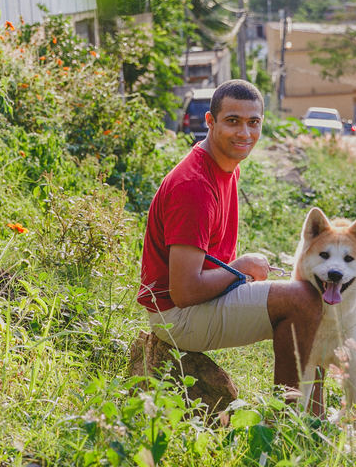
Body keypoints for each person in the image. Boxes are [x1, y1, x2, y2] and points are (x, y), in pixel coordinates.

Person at [138, 79, 324, 409]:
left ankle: (312, 416)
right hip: (178, 316)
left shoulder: (226, 167)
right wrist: (239, 270)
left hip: (199, 302)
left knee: (319, 293)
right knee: (303, 299)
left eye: (254, 123)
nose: (245, 133)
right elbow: (183, 291)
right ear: (210, 122)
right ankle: (291, 420)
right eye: (232, 121)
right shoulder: (194, 186)